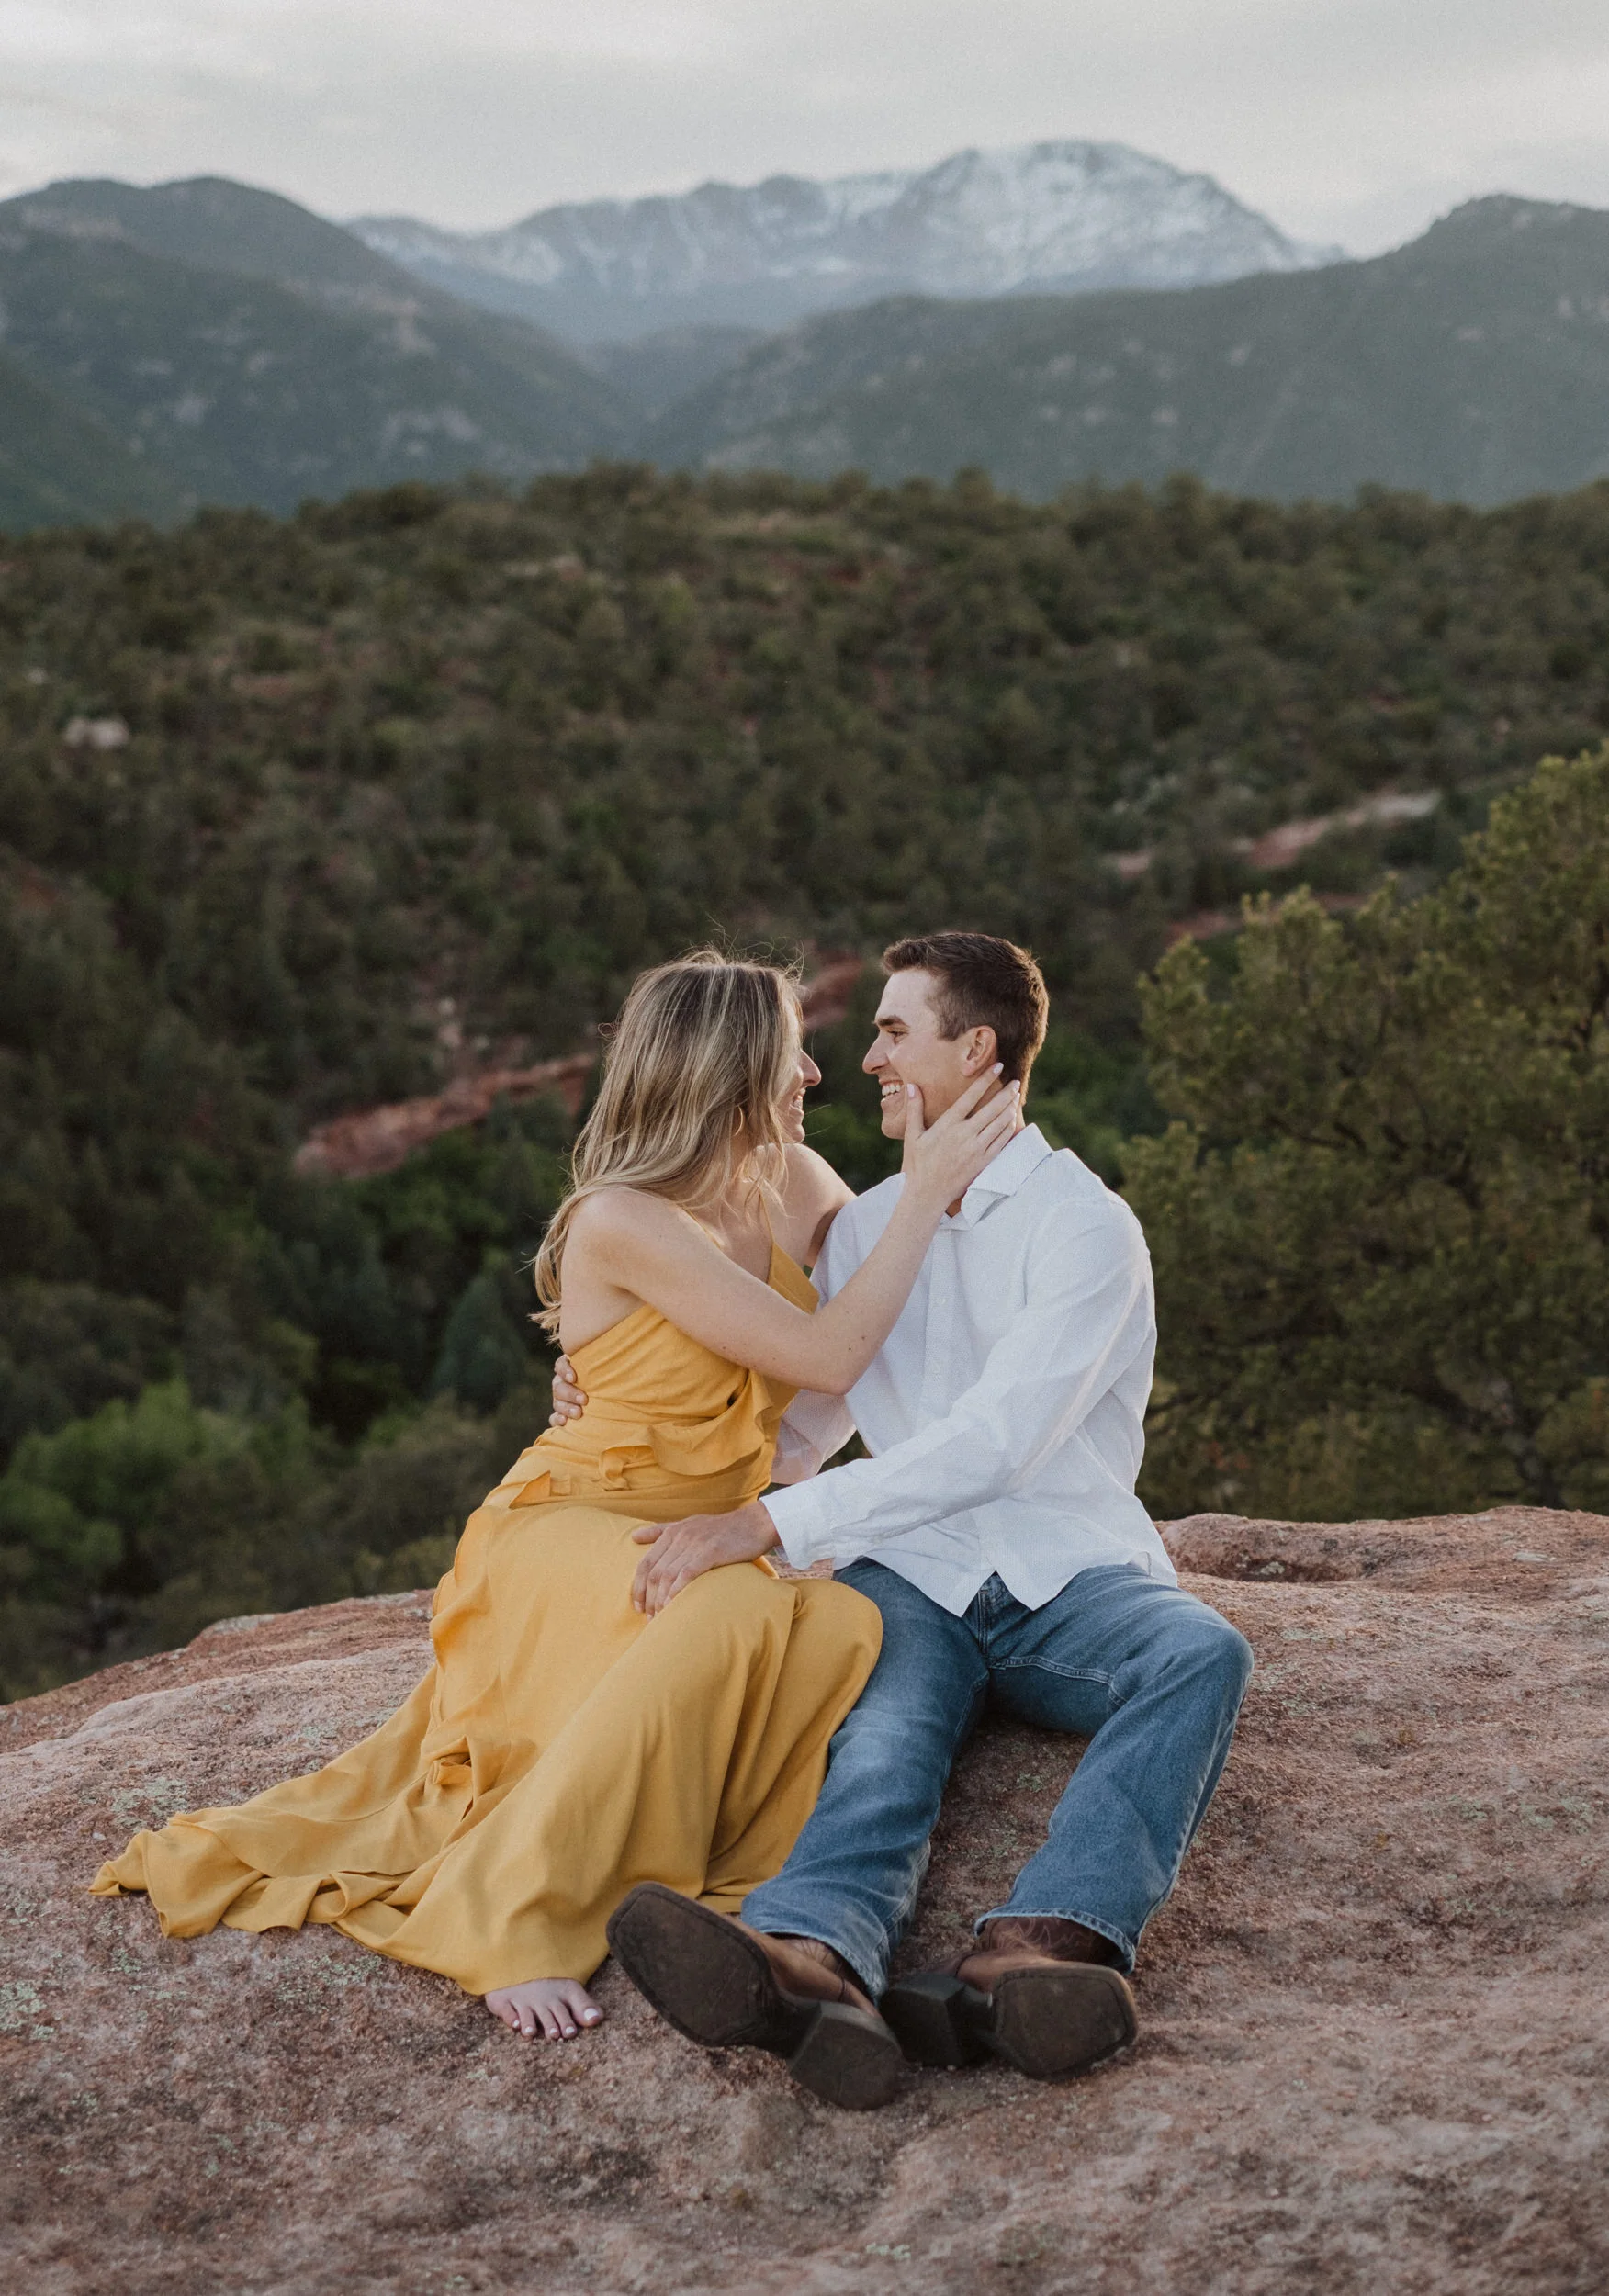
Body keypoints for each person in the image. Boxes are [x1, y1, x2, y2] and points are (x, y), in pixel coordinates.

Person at [93, 952, 1018, 2109]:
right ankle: (519, 1909)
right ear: (728, 1071)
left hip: (710, 1518)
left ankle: (742, 1906)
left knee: (836, 1623)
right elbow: (830, 1350)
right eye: (793, 1055)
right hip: (571, 1521)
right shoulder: (621, 1217)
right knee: (728, 1607)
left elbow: (877, 1333)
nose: (817, 1073)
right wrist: (922, 1193)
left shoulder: (798, 1183)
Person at [554, 932, 1254, 2103]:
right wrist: (609, 1412)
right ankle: (812, 1960)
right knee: (886, 1739)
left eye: (892, 1031)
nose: (864, 1057)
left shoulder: (1086, 1228)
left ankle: (1039, 1947)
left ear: (975, 1049)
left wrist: (772, 1528)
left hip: (1067, 1574)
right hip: (911, 1571)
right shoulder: (875, 1227)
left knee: (1203, 1653)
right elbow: (804, 1413)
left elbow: (998, 1443)